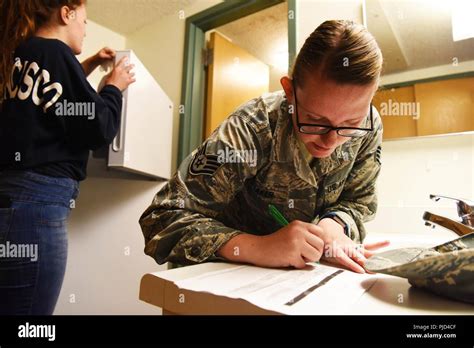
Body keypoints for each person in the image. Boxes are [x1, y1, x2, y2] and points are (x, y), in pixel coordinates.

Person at [139, 20, 389, 272]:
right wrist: (258, 247)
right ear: (290, 92)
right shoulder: (250, 127)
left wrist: (333, 226)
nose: (331, 140)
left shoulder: (369, 125)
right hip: (225, 279)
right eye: (315, 121)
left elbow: (358, 201)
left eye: (350, 123)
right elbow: (162, 220)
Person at [0, 0, 135, 314]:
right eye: (85, 22)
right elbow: (97, 127)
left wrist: (85, 65)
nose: (85, 30)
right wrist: (114, 87)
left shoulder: (21, 54)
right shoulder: (56, 53)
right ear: (66, 13)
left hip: (10, 201)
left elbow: (53, 101)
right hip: (36, 207)